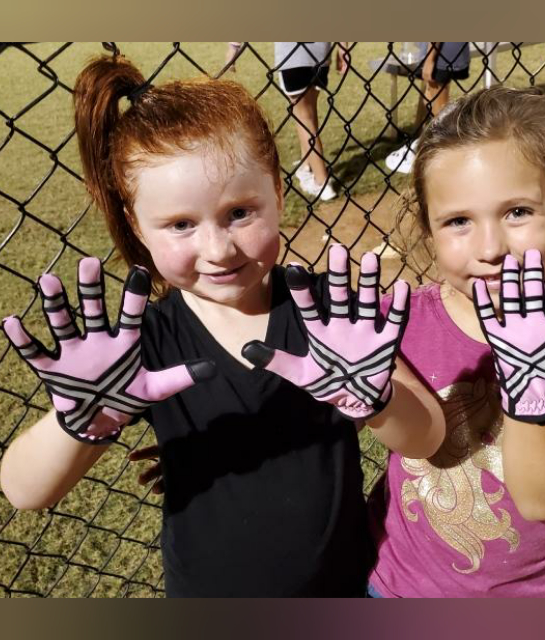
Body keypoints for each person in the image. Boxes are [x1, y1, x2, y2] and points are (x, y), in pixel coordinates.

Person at [0, 54, 446, 597]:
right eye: (180, 224)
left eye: (239, 212)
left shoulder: (327, 314)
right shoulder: (144, 343)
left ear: (278, 194)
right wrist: (82, 420)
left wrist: (376, 400)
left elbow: (427, 435)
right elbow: (25, 491)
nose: (217, 249)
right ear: (137, 227)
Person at [368, 86, 545, 598]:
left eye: (517, 212)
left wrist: (531, 396)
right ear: (428, 231)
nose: (491, 248)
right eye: (458, 221)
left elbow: (540, 500)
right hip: (399, 586)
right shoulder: (391, 324)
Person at [274, 42, 349, 201]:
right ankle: (306, 165)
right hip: (321, 54)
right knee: (310, 114)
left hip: (292, 56)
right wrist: (343, 47)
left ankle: (321, 182)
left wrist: (234, 46)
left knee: (303, 117)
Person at [385, 42, 470, 175]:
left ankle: (443, 154)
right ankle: (430, 147)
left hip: (439, 55)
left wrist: (430, 59)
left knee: (440, 110)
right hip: (443, 52)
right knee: (430, 98)